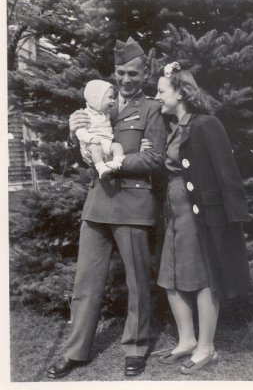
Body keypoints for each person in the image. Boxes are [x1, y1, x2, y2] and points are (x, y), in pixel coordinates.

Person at [47, 37, 166, 379]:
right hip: (98, 202)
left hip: (133, 203)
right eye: (120, 73)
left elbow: (154, 159)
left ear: (145, 74)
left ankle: (136, 347)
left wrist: (118, 161)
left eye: (132, 73)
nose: (125, 80)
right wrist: (75, 136)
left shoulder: (152, 109)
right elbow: (87, 154)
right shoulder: (100, 106)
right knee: (85, 281)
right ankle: (76, 350)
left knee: (137, 281)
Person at [153, 62, 251, 374]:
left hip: (201, 215)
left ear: (180, 93)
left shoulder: (206, 124)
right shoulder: (173, 128)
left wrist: (232, 218)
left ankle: (206, 347)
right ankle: (186, 341)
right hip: (175, 215)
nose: (157, 97)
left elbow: (227, 173)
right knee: (171, 277)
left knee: (203, 279)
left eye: (161, 91)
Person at [76, 79, 125, 179]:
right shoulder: (85, 114)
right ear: (96, 99)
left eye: (113, 97)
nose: (113, 101)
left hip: (106, 143)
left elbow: (119, 107)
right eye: (110, 97)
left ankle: (116, 163)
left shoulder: (105, 113)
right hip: (91, 145)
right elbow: (80, 131)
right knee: (96, 148)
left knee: (117, 146)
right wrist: (91, 139)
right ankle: (101, 168)